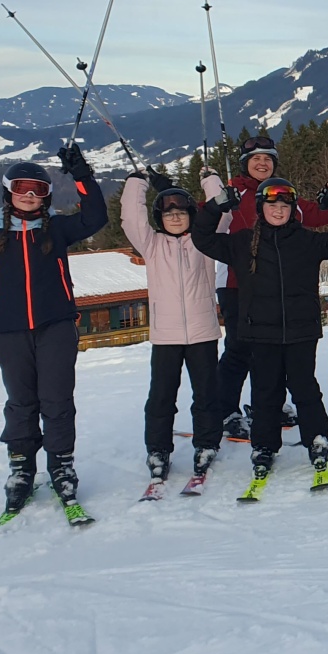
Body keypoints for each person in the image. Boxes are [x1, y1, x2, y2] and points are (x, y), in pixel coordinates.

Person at [0, 147, 106, 515]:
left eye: (38, 189)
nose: (29, 195)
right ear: (8, 191)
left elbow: (95, 217)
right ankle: (21, 468)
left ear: (46, 196)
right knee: (21, 402)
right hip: (9, 328)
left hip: (55, 325)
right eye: (21, 188)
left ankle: (61, 466)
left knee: (57, 400)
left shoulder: (57, 229)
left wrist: (82, 176)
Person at [192, 176, 328, 488]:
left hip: (301, 331)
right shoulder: (242, 243)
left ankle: (317, 438)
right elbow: (202, 238)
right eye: (272, 205)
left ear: (292, 209)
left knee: (304, 388)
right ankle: (264, 445)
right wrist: (216, 207)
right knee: (265, 392)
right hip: (260, 333)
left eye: (284, 205)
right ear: (261, 208)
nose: (279, 210)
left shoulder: (307, 241)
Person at [213, 135, 328, 441]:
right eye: (256, 159)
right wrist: (213, 194)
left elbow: (318, 214)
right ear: (245, 164)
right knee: (239, 350)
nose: (262, 164)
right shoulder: (233, 192)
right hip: (236, 284)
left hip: (273, 288)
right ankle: (225, 411)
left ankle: (270, 407)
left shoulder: (279, 193)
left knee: (269, 351)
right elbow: (204, 225)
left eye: (267, 159)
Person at [120, 169, 227, 486]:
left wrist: (210, 179)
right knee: (161, 397)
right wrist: (136, 183)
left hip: (203, 331)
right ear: (160, 218)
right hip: (165, 336)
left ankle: (206, 444)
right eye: (169, 214)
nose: (176, 218)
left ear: (192, 214)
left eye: (181, 212)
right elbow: (131, 220)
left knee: (206, 394)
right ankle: (158, 450)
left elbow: (224, 213)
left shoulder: (203, 241)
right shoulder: (152, 245)